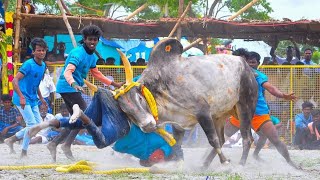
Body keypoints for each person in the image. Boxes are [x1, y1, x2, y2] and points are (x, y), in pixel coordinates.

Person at [46, 25, 124, 162]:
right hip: (68, 87)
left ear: (98, 40)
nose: (92, 42)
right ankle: (63, 144)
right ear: (84, 39)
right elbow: (67, 71)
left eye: (95, 39)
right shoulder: (77, 53)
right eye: (90, 40)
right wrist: (74, 84)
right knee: (84, 116)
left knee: (77, 120)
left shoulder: (92, 57)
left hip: (74, 88)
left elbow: (97, 74)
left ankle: (56, 143)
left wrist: (114, 84)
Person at [225, 50, 298, 168]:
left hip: (259, 112)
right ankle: (209, 159)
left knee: (275, 140)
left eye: (253, 62)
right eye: (249, 62)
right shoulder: (236, 74)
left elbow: (271, 88)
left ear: (258, 64)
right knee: (224, 135)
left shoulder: (258, 75)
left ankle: (290, 162)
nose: (250, 64)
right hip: (241, 112)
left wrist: (283, 95)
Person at [4, 37, 47, 158]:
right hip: (21, 98)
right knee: (31, 124)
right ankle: (23, 151)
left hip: (33, 99)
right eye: (38, 50)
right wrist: (22, 97)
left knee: (38, 126)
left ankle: (12, 139)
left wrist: (41, 98)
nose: (41, 52)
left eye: (43, 50)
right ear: (33, 52)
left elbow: (36, 83)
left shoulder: (43, 65)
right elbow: (15, 80)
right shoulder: (28, 64)